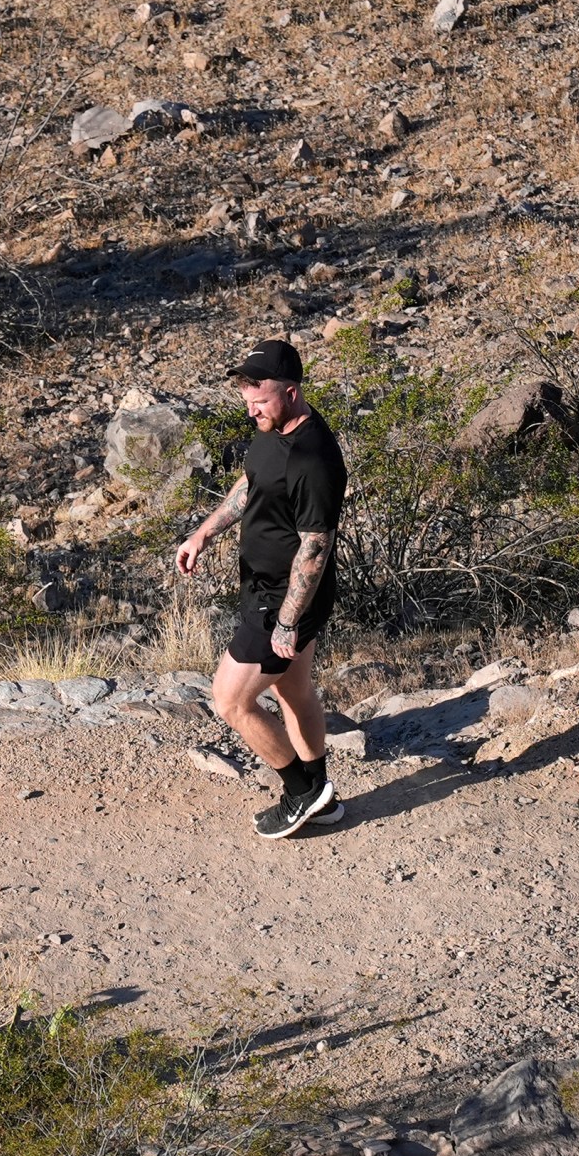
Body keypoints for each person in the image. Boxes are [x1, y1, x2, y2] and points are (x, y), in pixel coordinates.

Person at [175, 340, 348, 839]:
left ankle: (301, 792)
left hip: (282, 600)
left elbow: (315, 546)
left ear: (291, 393)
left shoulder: (314, 459)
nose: (251, 409)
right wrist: (205, 532)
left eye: (260, 399)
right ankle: (322, 795)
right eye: (247, 398)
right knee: (294, 692)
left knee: (231, 701)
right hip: (267, 591)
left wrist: (288, 622)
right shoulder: (271, 430)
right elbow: (252, 483)